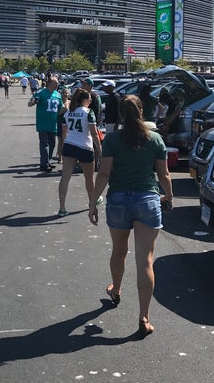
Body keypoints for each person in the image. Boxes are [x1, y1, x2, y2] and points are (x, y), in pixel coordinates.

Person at [88, 95, 173, 338]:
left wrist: (93, 202)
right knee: (145, 261)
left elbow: (104, 174)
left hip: (118, 201)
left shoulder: (113, 138)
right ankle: (144, 317)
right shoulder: (155, 139)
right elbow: (164, 174)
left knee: (119, 250)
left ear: (121, 115)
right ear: (142, 112)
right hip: (147, 200)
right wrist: (168, 196)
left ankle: (115, 289)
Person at [57, 88, 103, 216]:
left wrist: (65, 144)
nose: (91, 100)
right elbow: (94, 134)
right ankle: (92, 202)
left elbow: (63, 132)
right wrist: (100, 150)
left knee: (65, 177)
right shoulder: (89, 112)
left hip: (69, 145)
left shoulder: (68, 112)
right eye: (89, 98)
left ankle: (62, 208)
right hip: (84, 147)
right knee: (89, 178)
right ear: (85, 100)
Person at [28, 76, 61, 172]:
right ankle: (44, 164)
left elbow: (61, 108)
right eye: (56, 83)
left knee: (52, 144)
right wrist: (34, 101)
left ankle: (48, 161)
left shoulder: (57, 94)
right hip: (43, 123)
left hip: (53, 124)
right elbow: (30, 103)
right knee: (44, 144)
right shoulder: (41, 92)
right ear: (50, 83)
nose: (57, 84)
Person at [55, 86, 71, 163]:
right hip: (60, 122)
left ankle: (66, 156)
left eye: (66, 93)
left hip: (68, 123)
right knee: (60, 140)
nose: (65, 94)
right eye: (63, 93)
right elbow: (57, 113)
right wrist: (63, 109)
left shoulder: (70, 102)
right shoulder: (59, 102)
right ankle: (60, 157)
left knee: (67, 140)